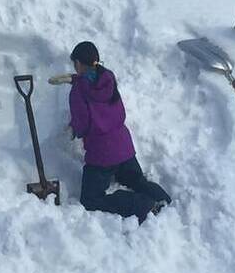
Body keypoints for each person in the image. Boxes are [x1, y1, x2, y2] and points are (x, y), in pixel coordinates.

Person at [53, 41, 171, 223]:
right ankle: (162, 198)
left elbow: (82, 125)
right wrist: (74, 78)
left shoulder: (78, 92)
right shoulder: (108, 78)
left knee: (91, 200)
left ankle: (142, 206)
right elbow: (93, 85)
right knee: (136, 180)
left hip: (102, 156)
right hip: (125, 148)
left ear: (77, 63)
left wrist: (72, 130)